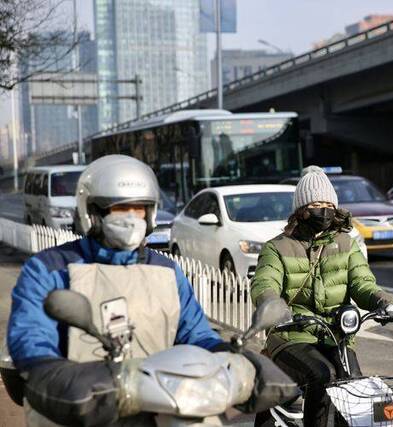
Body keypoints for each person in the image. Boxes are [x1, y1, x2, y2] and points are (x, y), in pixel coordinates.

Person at [6, 155, 230, 425]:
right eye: (120, 209)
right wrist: (49, 370)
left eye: (139, 210)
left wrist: (229, 357)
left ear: (151, 214)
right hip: (82, 404)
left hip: (159, 401)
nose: (131, 219)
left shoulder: (167, 272)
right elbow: (30, 336)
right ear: (92, 213)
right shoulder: (49, 269)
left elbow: (195, 332)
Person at [251, 166, 393, 427]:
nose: (323, 210)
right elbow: (264, 282)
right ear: (301, 209)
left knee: (353, 382)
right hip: (292, 334)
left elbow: (362, 283)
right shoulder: (276, 248)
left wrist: (382, 302)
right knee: (323, 375)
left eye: (327, 204)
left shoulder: (347, 244)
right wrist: (272, 304)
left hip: (336, 334)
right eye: (316, 204)